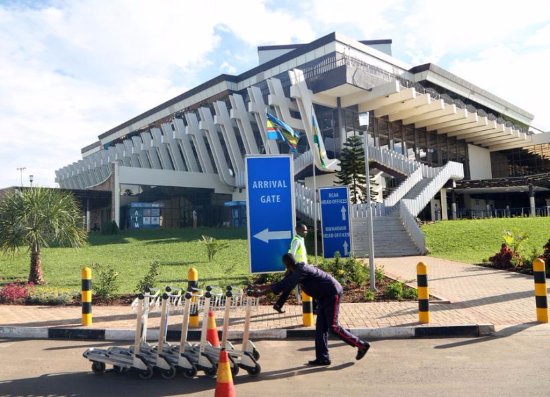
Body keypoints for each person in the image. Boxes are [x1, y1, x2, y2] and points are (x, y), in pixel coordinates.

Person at [254, 253, 370, 366]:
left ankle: (361, 345)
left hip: (332, 293)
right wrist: (258, 288)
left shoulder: (301, 270)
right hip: (323, 297)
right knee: (320, 329)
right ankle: (322, 358)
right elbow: (280, 284)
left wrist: (260, 294)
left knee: (333, 327)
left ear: (287, 265)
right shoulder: (296, 270)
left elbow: (283, 285)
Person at [273, 223, 309, 313]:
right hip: (297, 269)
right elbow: (291, 255)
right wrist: (290, 269)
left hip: (300, 269)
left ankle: (278, 304)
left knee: (288, 287)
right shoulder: (297, 241)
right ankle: (314, 307)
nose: (306, 232)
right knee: (309, 285)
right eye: (304, 230)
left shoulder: (301, 240)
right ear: (299, 231)